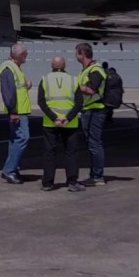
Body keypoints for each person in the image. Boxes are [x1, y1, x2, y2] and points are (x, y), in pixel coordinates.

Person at [38, 55, 84, 192]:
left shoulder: (45, 80)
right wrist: (67, 118)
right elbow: (79, 103)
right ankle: (72, 182)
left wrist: (54, 117)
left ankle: (47, 183)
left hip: (50, 123)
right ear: (65, 66)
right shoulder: (73, 80)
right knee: (71, 153)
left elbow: (41, 102)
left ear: (51, 65)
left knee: (50, 153)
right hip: (70, 124)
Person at [0, 41, 31, 184]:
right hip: (17, 111)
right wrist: (13, 111)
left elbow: (16, 88)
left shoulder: (15, 67)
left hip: (19, 110)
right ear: (20, 55)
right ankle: (9, 170)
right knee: (23, 138)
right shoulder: (8, 68)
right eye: (25, 55)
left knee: (14, 141)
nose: (26, 57)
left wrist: (26, 85)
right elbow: (8, 91)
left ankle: (12, 169)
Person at [75, 42, 107, 186]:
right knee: (92, 144)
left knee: (95, 144)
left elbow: (91, 90)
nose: (76, 56)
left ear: (82, 54)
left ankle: (98, 177)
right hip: (88, 109)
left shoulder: (96, 70)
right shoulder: (87, 69)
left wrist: (74, 86)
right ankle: (94, 174)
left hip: (95, 110)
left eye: (77, 53)